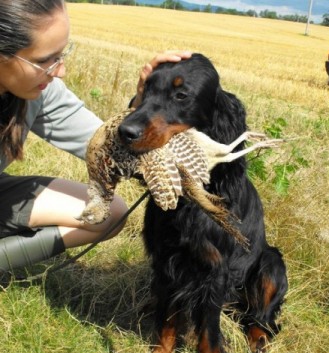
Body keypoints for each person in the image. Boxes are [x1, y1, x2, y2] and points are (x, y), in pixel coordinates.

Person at [0, 0, 192, 272]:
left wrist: (144, 106)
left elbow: (106, 145)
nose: (60, 71)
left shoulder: (42, 91)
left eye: (61, 54)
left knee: (108, 214)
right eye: (44, 60)